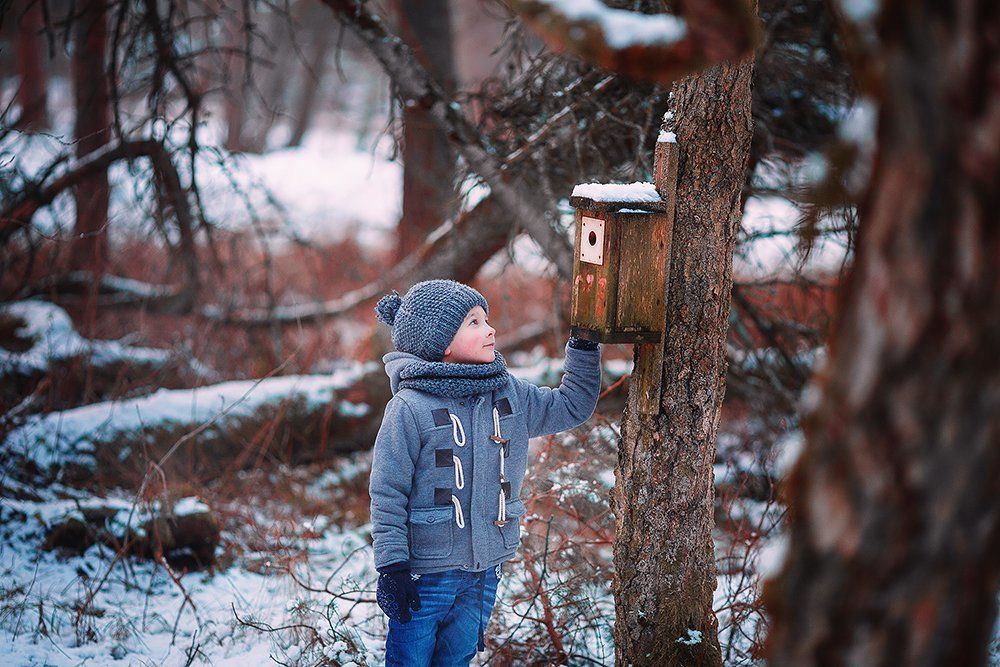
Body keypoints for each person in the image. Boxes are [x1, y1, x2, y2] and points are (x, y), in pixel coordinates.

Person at [369, 279, 602, 666]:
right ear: (441, 343)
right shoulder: (409, 408)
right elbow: (387, 492)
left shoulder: (507, 393)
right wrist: (392, 566)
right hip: (424, 575)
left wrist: (584, 346)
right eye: (474, 322)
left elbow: (571, 405)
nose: (490, 329)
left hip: (484, 572)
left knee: (457, 659)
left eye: (487, 319)